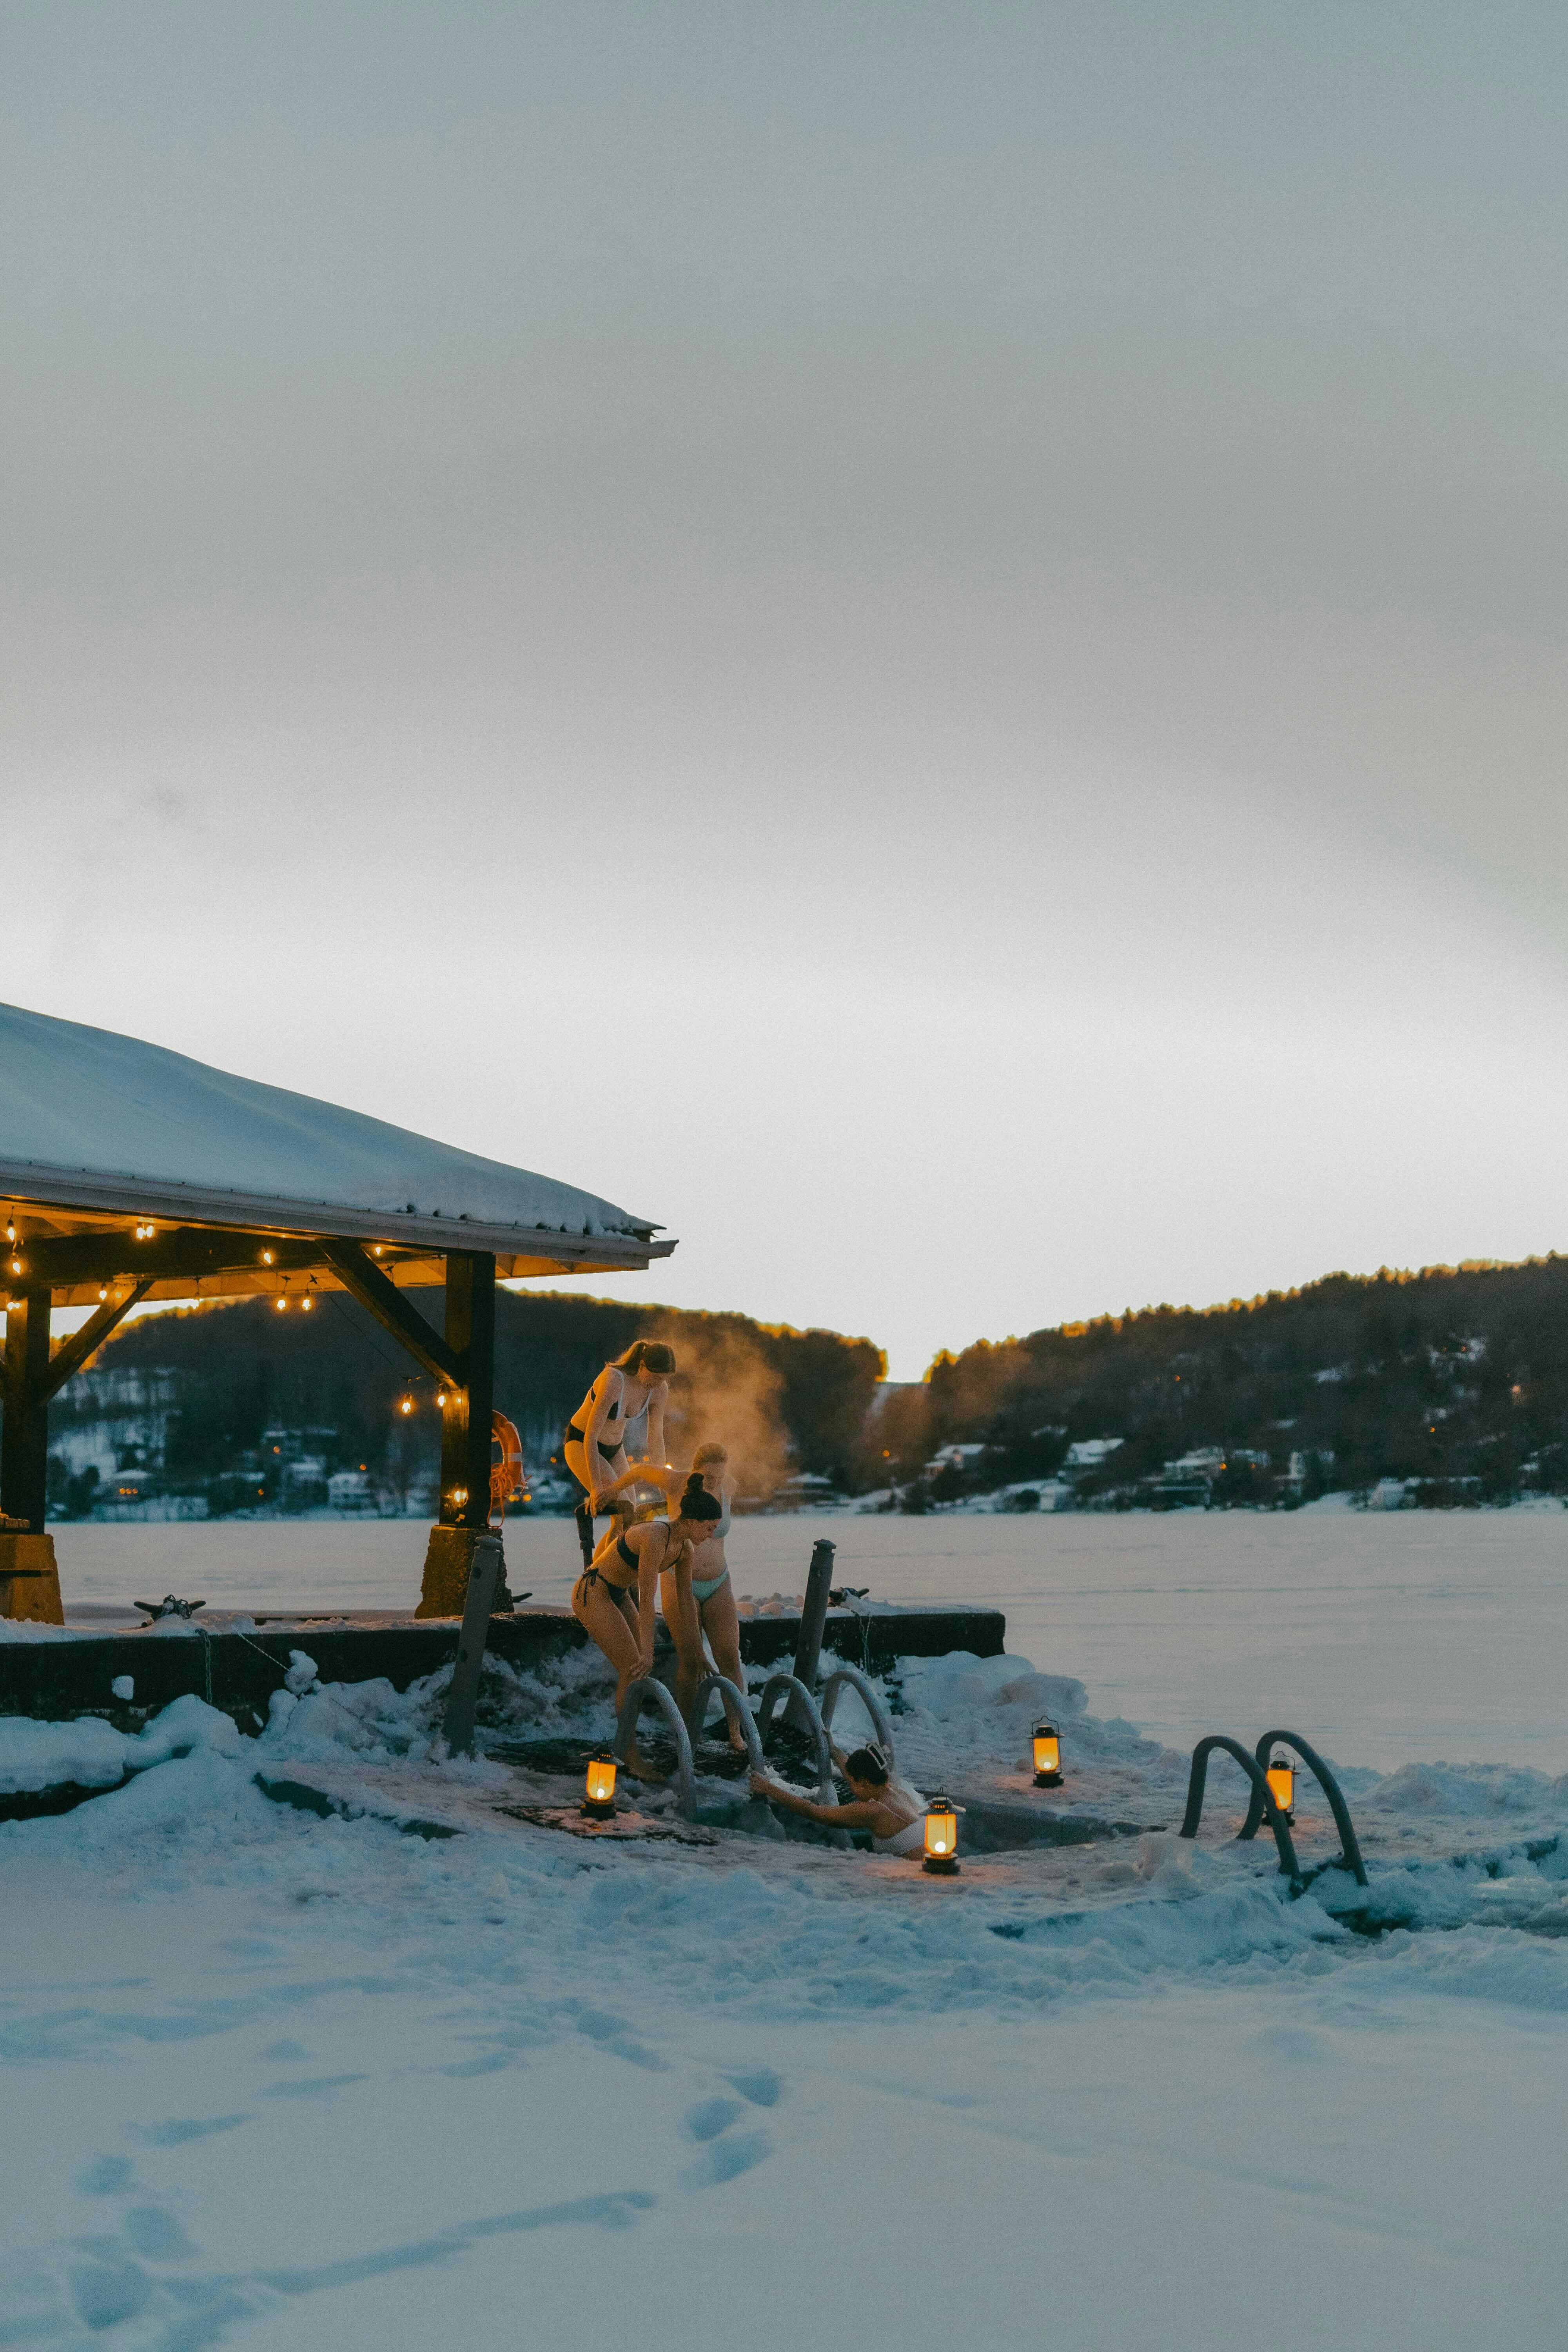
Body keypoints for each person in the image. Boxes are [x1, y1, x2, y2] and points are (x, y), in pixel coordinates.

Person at [596, 1441, 745, 1748]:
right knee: (690, 1662)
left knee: (730, 1657)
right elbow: (639, 1471)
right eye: (708, 1478)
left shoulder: (728, 1486)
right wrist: (612, 1492)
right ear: (695, 1470)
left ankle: (737, 1733)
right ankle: (689, 1735)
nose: (713, 1483)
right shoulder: (677, 1482)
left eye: (719, 1477)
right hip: (680, 1580)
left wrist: (722, 1485)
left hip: (719, 1581)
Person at [570, 1477, 721, 1777]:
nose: (711, 1534)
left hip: (618, 1593)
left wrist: (697, 1651)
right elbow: (649, 1600)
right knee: (633, 1668)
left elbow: (687, 1604)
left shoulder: (684, 1550)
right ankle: (629, 1755)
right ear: (691, 1522)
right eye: (710, 1527)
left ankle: (627, 1747)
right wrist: (648, 1653)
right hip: (593, 1592)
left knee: (637, 1670)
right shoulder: (655, 1537)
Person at [562, 1341, 674, 1559]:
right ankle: (598, 1578)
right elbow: (591, 1436)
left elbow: (655, 1438)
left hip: (615, 1449)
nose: (658, 1384)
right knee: (622, 1513)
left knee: (630, 1518)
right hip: (581, 1443)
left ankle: (602, 1571)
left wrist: (663, 1480)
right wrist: (596, 1488)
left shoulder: (659, 1389)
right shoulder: (614, 1380)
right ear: (642, 1366)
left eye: (664, 1379)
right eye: (655, 1377)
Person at [749, 1739, 927, 1853]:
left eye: (851, 1783)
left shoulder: (873, 1810)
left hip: (921, 1878)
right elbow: (851, 1769)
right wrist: (833, 1749)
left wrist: (770, 1789)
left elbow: (816, 1812)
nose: (849, 1786)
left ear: (863, 1782)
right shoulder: (895, 1790)